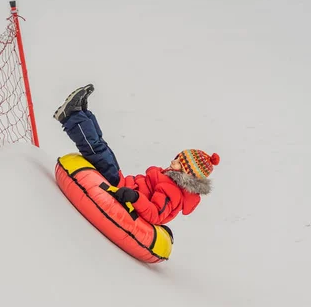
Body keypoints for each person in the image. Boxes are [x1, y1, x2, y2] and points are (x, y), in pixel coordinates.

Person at [53, 84, 220, 226]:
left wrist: (134, 197)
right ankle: (82, 112)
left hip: (119, 190)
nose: (172, 161)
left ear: (186, 173)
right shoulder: (169, 180)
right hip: (122, 183)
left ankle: (71, 116)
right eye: (176, 158)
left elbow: (155, 214)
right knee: (102, 147)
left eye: (178, 162)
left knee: (97, 150)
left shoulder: (173, 192)